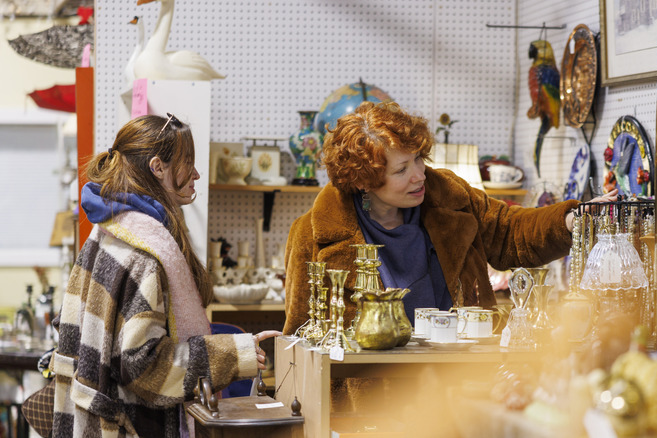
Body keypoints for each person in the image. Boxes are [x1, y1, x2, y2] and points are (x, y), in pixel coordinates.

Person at [283, 101, 617, 334]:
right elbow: (301, 329)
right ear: (362, 181)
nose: (419, 175)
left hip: (457, 383)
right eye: (401, 169)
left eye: (418, 159)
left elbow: (509, 231)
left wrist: (572, 220)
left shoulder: (449, 196)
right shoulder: (312, 234)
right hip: (367, 404)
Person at [52, 113, 281, 438]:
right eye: (188, 163)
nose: (197, 174)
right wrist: (231, 354)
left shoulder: (109, 227)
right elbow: (144, 367)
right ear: (158, 167)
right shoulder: (145, 251)